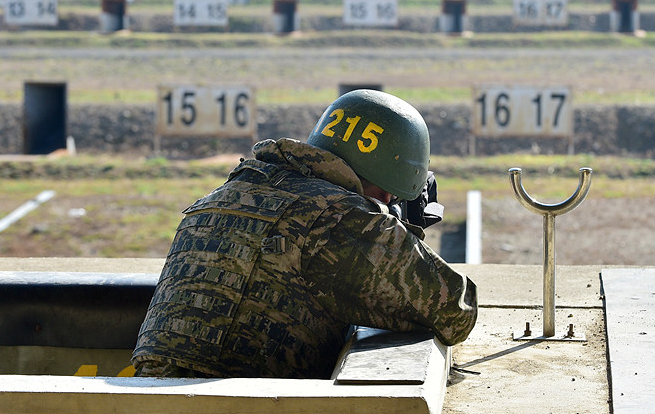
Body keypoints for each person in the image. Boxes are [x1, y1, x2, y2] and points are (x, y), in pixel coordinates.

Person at [132, 89, 478, 379]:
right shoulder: (341, 219)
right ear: (387, 191)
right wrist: (402, 235)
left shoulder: (227, 192)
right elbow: (455, 311)